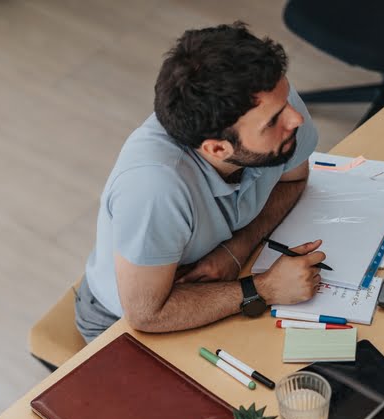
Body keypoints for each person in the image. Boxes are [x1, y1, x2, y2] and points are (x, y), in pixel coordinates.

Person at [76, 22, 327, 342]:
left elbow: (293, 180)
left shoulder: (272, 105)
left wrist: (236, 249)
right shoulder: (154, 188)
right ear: (217, 149)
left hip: (222, 277)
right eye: (273, 122)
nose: (296, 119)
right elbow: (145, 314)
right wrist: (264, 288)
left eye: (286, 99)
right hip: (125, 320)